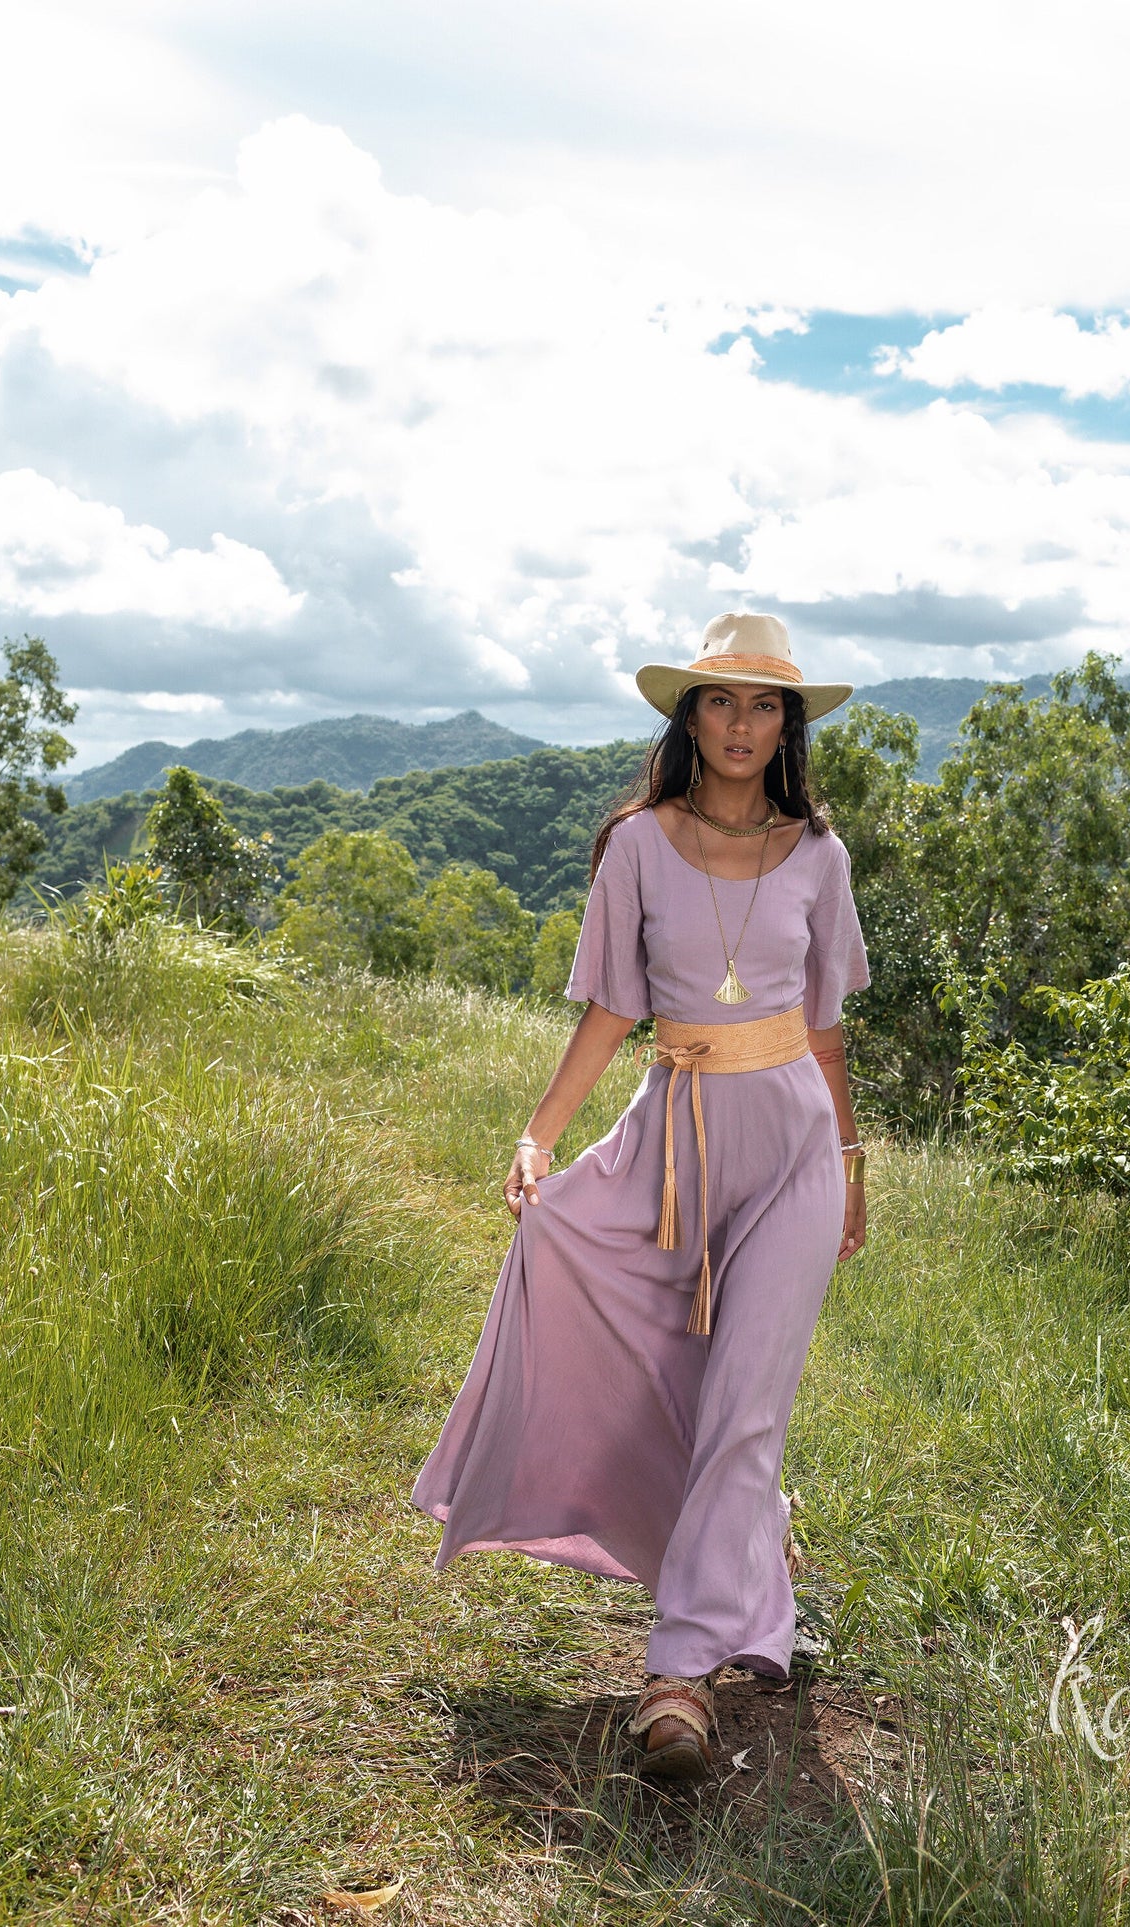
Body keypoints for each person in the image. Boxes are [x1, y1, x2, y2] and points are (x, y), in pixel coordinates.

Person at [410, 611, 871, 1782]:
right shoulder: (636, 845)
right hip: (670, 1136)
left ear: (788, 725)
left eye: (764, 705)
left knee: (748, 1405)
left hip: (792, 1153)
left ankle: (675, 1677)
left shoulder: (818, 853)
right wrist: (536, 1134)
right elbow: (611, 1011)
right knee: (585, 1270)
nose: (741, 725)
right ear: (688, 716)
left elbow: (822, 1030)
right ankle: (745, 1540)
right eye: (719, 701)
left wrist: (853, 1167)